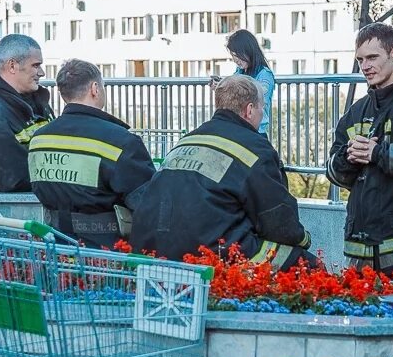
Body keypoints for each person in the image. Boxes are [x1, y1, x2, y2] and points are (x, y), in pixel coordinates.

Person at [129, 74, 317, 269]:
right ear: (249, 110)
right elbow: (278, 220)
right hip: (212, 255)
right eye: (263, 107)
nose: (263, 113)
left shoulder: (188, 140)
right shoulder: (256, 149)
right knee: (308, 265)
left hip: (156, 251)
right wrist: (304, 240)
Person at [325, 23, 393, 274]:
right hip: (359, 251)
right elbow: (332, 171)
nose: (365, 66)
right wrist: (349, 158)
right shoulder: (356, 110)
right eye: (360, 59)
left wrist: (377, 153)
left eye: (372, 57)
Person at [28, 59, 155, 248]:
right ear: (95, 88)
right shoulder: (120, 141)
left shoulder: (39, 139)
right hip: (105, 252)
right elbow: (148, 204)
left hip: (55, 245)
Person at [0, 34, 53, 192]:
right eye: (35, 65)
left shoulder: (34, 101)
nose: (41, 72)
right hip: (18, 210)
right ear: (12, 66)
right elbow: (13, 182)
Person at [212, 29, 274, 134]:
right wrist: (221, 86)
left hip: (256, 131)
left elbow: (258, 101)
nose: (235, 60)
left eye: (237, 55)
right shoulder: (240, 71)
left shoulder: (264, 75)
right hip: (239, 128)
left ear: (247, 50)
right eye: (233, 56)